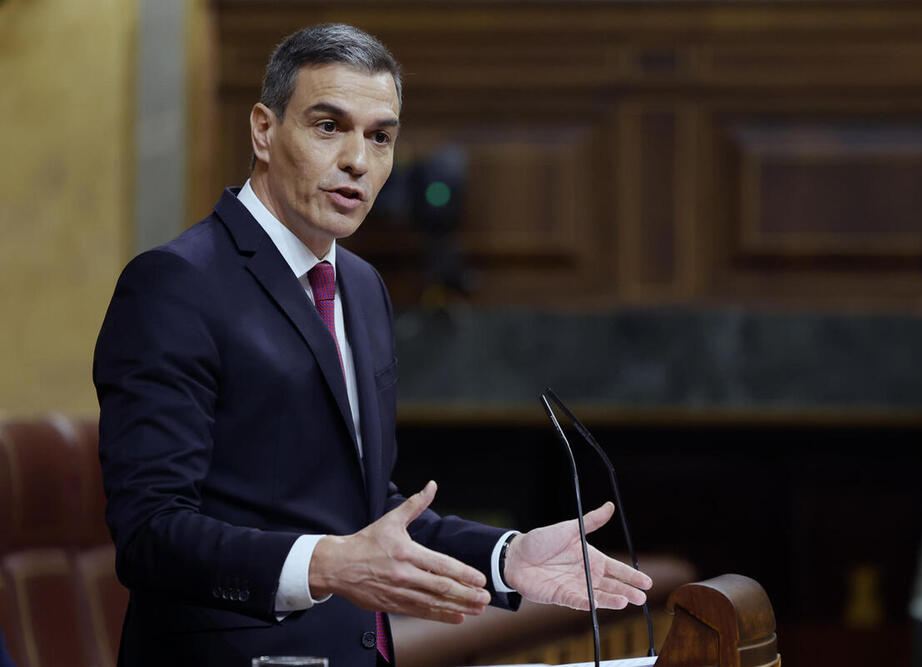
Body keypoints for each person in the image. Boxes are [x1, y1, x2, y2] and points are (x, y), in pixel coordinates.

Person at [94, 23, 651, 666]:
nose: (359, 159)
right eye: (329, 126)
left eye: (380, 136)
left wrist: (507, 557)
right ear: (263, 131)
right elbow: (150, 534)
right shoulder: (175, 284)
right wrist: (329, 566)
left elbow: (363, 510)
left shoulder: (361, 286)